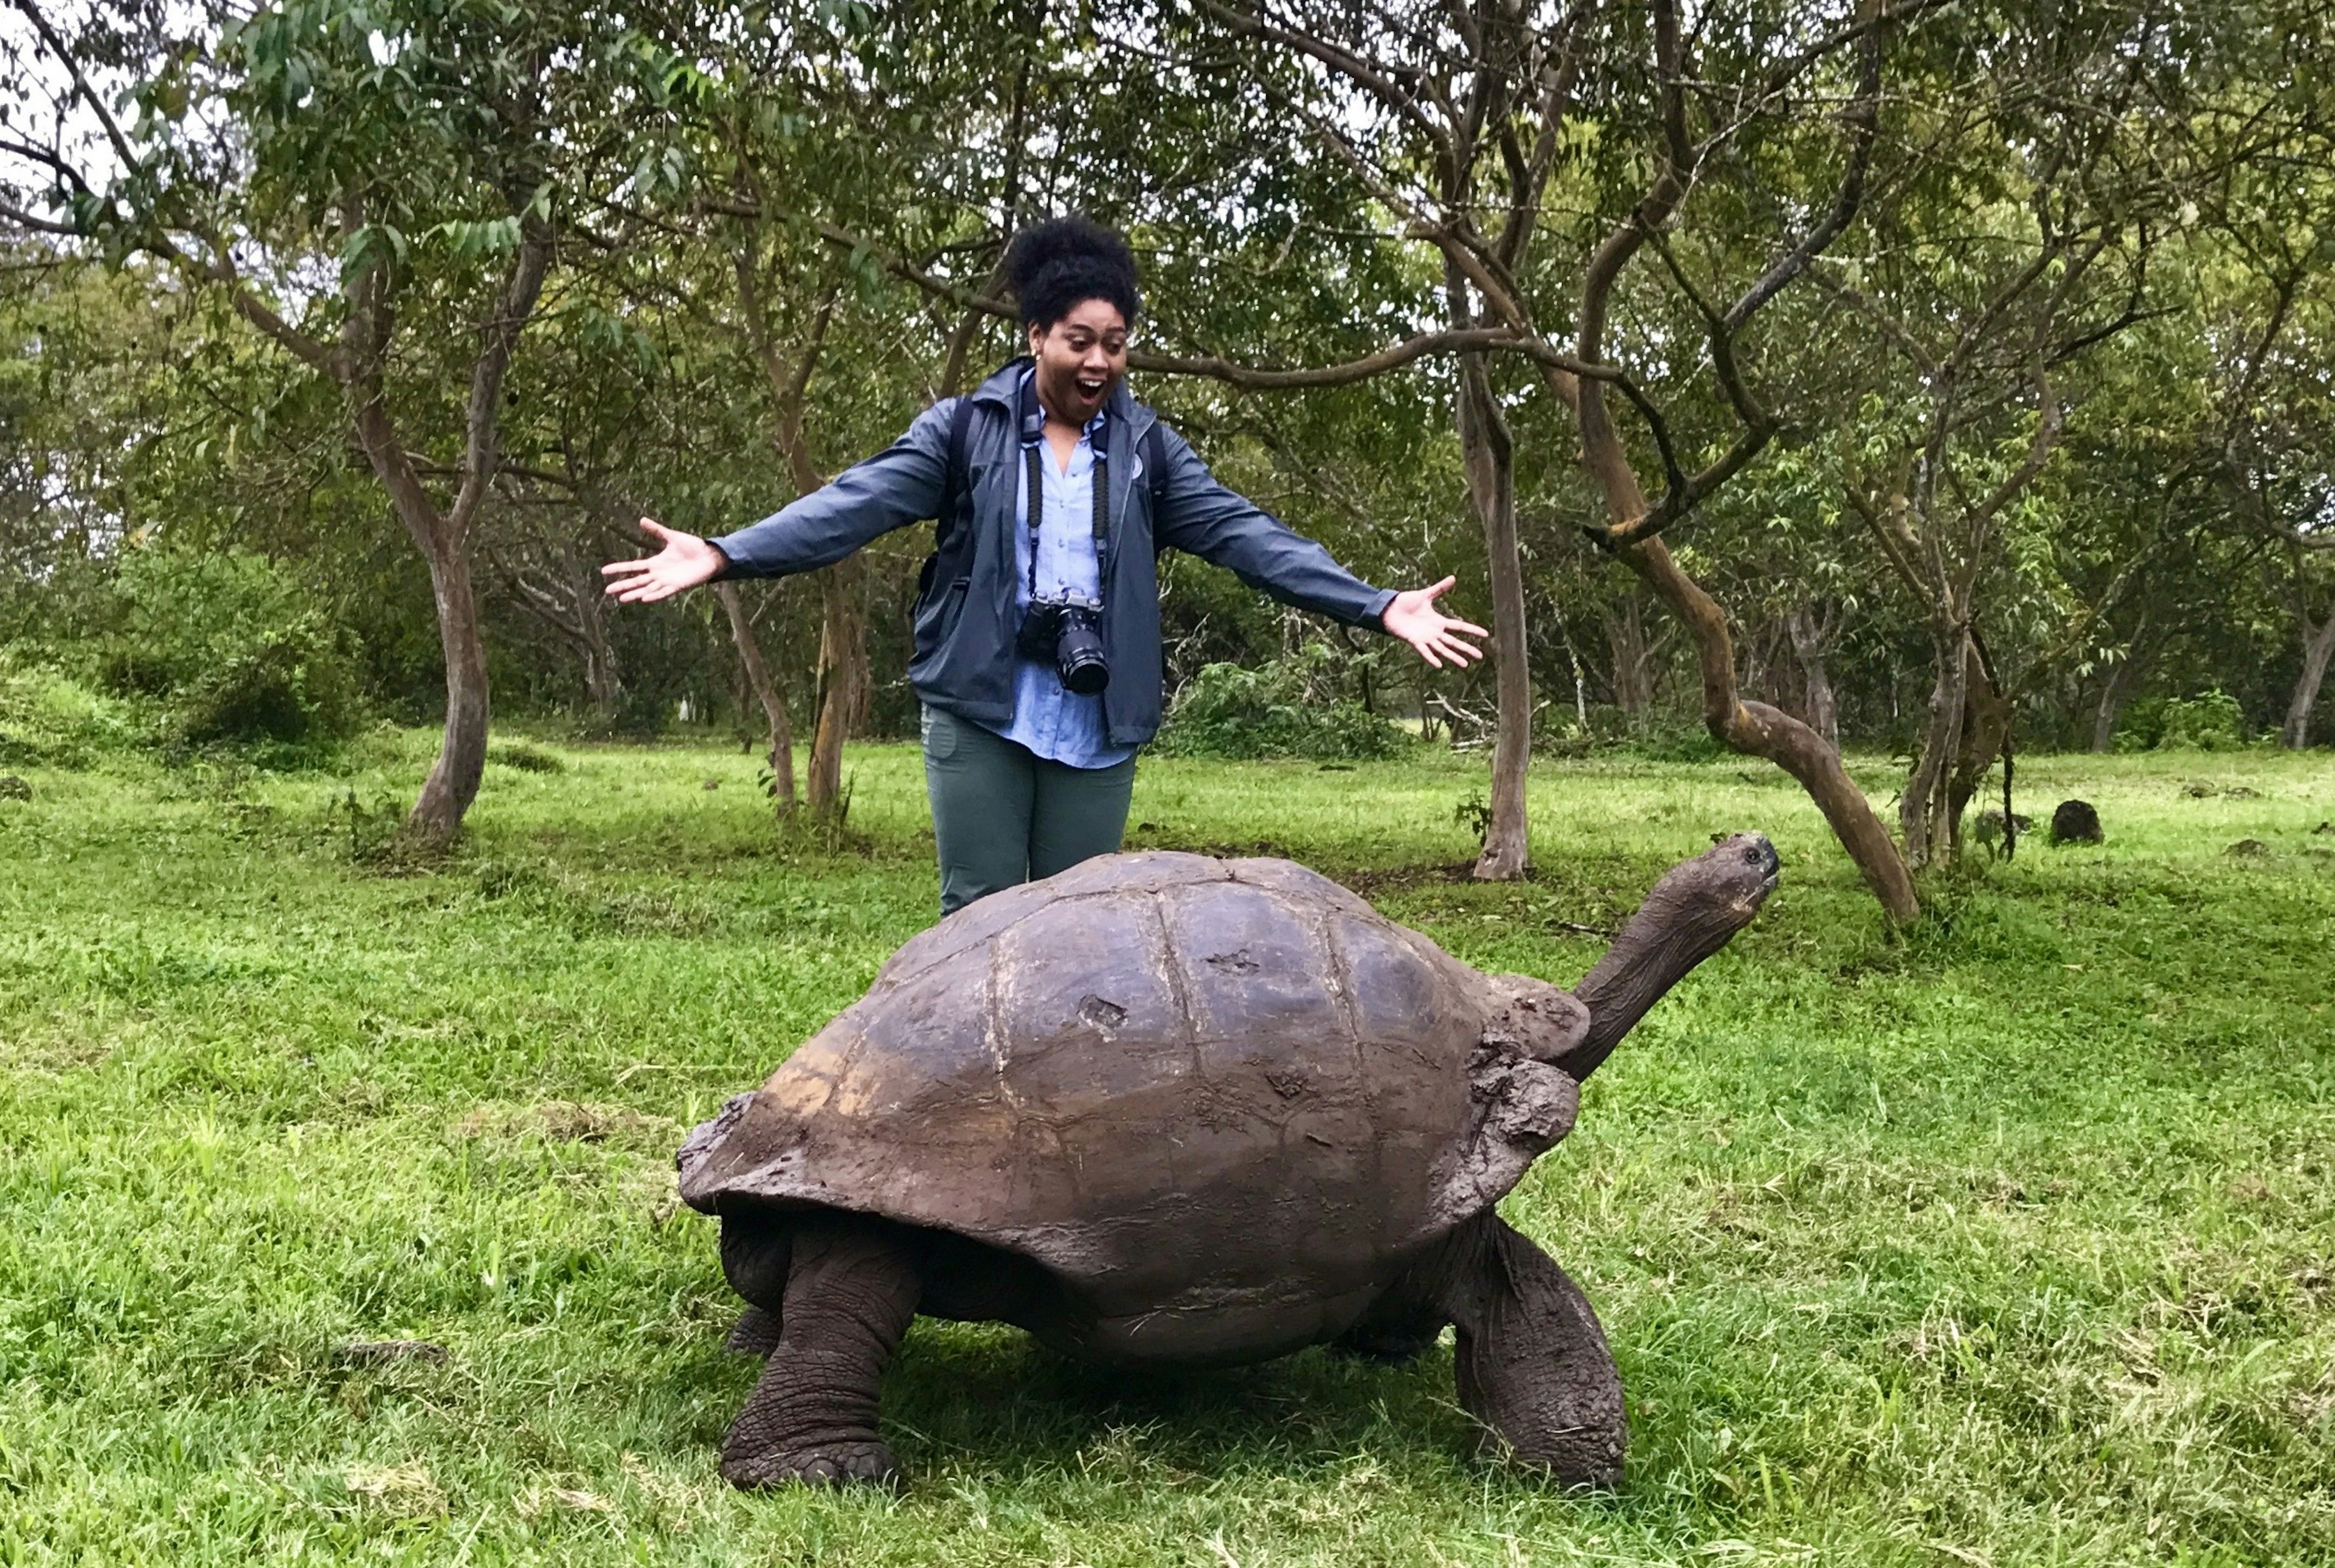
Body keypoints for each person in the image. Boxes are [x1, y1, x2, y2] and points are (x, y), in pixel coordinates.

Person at [604, 216, 1484, 914]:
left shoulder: (1149, 450)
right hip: (981, 702)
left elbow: (1249, 537)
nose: (1099, 358)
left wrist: (1377, 606)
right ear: (1035, 336)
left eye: (1116, 340)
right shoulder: (964, 430)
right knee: (981, 917)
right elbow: (853, 506)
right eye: (1078, 338)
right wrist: (726, 553)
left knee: (1081, 925)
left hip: (1095, 713)